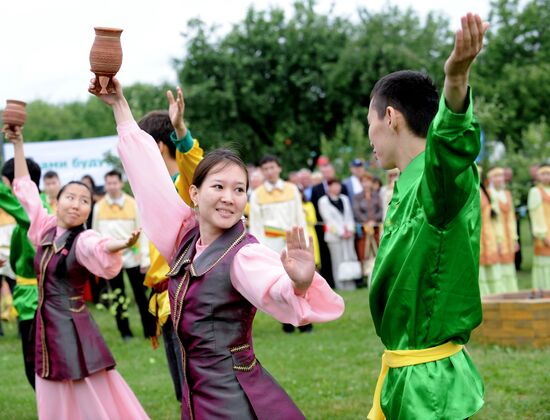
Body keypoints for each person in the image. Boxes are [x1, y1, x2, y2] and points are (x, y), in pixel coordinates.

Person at [91, 77, 344, 419]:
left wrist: (298, 282)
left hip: (230, 400)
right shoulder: (183, 237)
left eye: (239, 190)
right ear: (194, 193)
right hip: (197, 396)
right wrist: (120, 105)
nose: (229, 197)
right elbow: (147, 177)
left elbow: (274, 287)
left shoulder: (243, 255)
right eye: (219, 186)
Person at [367, 14, 488, 419]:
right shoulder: (404, 184)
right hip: (406, 373)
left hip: (429, 385)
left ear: (389, 117)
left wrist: (455, 82)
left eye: (369, 123)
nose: (369, 139)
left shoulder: (439, 184)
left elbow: (451, 150)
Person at [3, 124, 149, 420]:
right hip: (45, 325)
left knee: (87, 388)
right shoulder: (43, 230)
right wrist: (18, 144)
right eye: (71, 197)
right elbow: (26, 189)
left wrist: (122, 243)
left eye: (84, 201)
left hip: (73, 328)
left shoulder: (82, 239)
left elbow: (98, 246)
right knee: (50, 385)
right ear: (56, 202)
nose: (77, 204)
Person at [139, 85, 204, 403]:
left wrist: (181, 131)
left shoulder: (183, 186)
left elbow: (195, 168)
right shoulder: (157, 190)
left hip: (184, 299)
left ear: (158, 147)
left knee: (196, 390)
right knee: (184, 393)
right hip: (163, 299)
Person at [92, 169, 155, 339]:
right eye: (109, 183)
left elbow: (142, 232)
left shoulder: (132, 204)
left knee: (141, 295)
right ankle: (124, 332)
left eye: (115, 183)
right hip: (111, 256)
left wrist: (144, 257)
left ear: (121, 183)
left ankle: (150, 331)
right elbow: (95, 234)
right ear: (105, 185)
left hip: (132, 256)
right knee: (118, 295)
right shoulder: (98, 207)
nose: (112, 186)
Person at [0, 157, 45, 388]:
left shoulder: (32, 214)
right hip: (32, 295)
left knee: (35, 364)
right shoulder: (35, 211)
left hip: (35, 299)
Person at [318, 179, 359, 290]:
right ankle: (340, 285)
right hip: (334, 236)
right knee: (337, 261)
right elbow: (328, 219)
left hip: (349, 235)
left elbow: (349, 216)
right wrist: (341, 232)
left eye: (338, 185)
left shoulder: (344, 199)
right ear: (329, 187)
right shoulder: (323, 201)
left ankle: (351, 284)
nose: (337, 188)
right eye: (334, 185)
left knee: (350, 258)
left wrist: (350, 230)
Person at [487, 167, 519, 293]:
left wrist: (515, 238)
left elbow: (511, 218)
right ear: (490, 179)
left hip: (508, 234)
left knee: (508, 265)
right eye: (496, 176)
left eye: (501, 176)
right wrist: (498, 239)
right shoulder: (489, 194)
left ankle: (510, 291)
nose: (499, 179)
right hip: (495, 235)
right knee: (498, 265)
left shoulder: (507, 194)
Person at [478, 166, 500, 296]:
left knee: (490, 263)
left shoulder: (486, 192)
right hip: (477, 232)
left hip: (489, 232)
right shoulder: (470, 190)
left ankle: (494, 293)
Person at [528, 164, 550, 289]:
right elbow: (536, 215)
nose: (547, 177)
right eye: (543, 174)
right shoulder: (535, 192)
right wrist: (542, 235)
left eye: (549, 173)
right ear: (538, 176)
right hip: (544, 235)